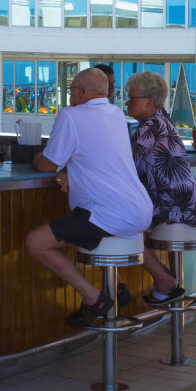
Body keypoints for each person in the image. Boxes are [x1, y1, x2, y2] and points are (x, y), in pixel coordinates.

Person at [27, 68, 153, 327]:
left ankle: (93, 298)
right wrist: (69, 170)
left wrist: (37, 158)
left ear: (81, 92)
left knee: (36, 242)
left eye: (71, 90)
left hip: (109, 213)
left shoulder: (71, 115)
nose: (70, 95)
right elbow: (96, 154)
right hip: (140, 210)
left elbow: (48, 164)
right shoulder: (116, 114)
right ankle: (117, 286)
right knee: (84, 224)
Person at [123, 71, 196, 305]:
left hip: (172, 202)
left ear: (149, 102)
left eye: (131, 98)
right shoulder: (162, 121)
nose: (127, 103)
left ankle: (163, 279)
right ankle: (166, 277)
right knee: (128, 222)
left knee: (120, 225)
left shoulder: (150, 126)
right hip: (183, 200)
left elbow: (124, 162)